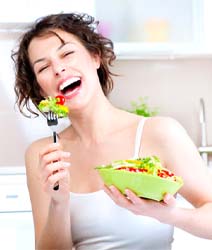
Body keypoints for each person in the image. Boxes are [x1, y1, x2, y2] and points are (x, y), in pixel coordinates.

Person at [12, 13, 212, 250]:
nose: (58, 69)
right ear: (42, 90)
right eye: (43, 67)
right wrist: (59, 203)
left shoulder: (159, 133)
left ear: (95, 57)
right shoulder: (42, 155)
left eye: (67, 53)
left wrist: (169, 214)